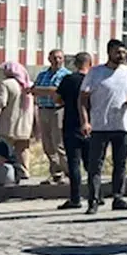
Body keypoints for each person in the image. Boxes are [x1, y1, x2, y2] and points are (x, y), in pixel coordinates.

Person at [80, 39, 127, 214]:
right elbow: (83, 99)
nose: (121, 56)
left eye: (123, 52)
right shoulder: (96, 72)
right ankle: (94, 200)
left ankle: (118, 197)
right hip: (100, 125)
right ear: (109, 53)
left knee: (120, 164)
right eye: (117, 52)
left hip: (122, 126)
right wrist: (85, 121)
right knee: (95, 165)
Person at [55, 52, 92, 210]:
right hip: (91, 124)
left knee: (74, 163)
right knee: (92, 163)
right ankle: (96, 195)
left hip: (71, 124)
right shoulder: (93, 80)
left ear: (76, 64)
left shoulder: (68, 80)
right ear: (90, 63)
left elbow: (58, 99)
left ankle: (75, 198)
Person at [30, 50, 69, 183]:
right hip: (43, 109)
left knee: (59, 143)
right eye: (54, 58)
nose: (57, 60)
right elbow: (34, 90)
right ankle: (56, 172)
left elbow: (58, 92)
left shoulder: (66, 75)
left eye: (60, 58)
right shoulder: (42, 74)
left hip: (58, 110)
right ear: (49, 59)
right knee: (47, 144)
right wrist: (48, 91)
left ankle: (68, 171)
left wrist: (46, 91)